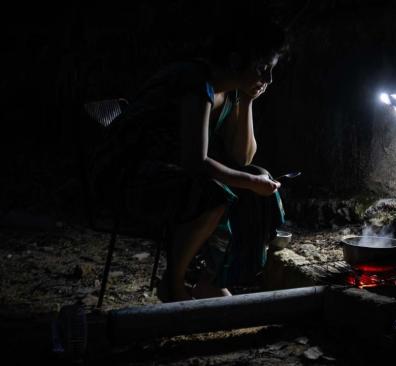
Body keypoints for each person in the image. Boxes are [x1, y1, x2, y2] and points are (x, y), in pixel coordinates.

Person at [89, 14, 288, 302]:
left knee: (259, 179)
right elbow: (196, 161)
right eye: (262, 68)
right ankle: (174, 283)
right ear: (234, 60)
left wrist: (247, 101)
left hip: (170, 172)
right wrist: (248, 180)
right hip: (124, 173)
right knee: (212, 191)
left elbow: (241, 157)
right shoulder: (196, 80)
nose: (267, 79)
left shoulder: (231, 92)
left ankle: (212, 280)